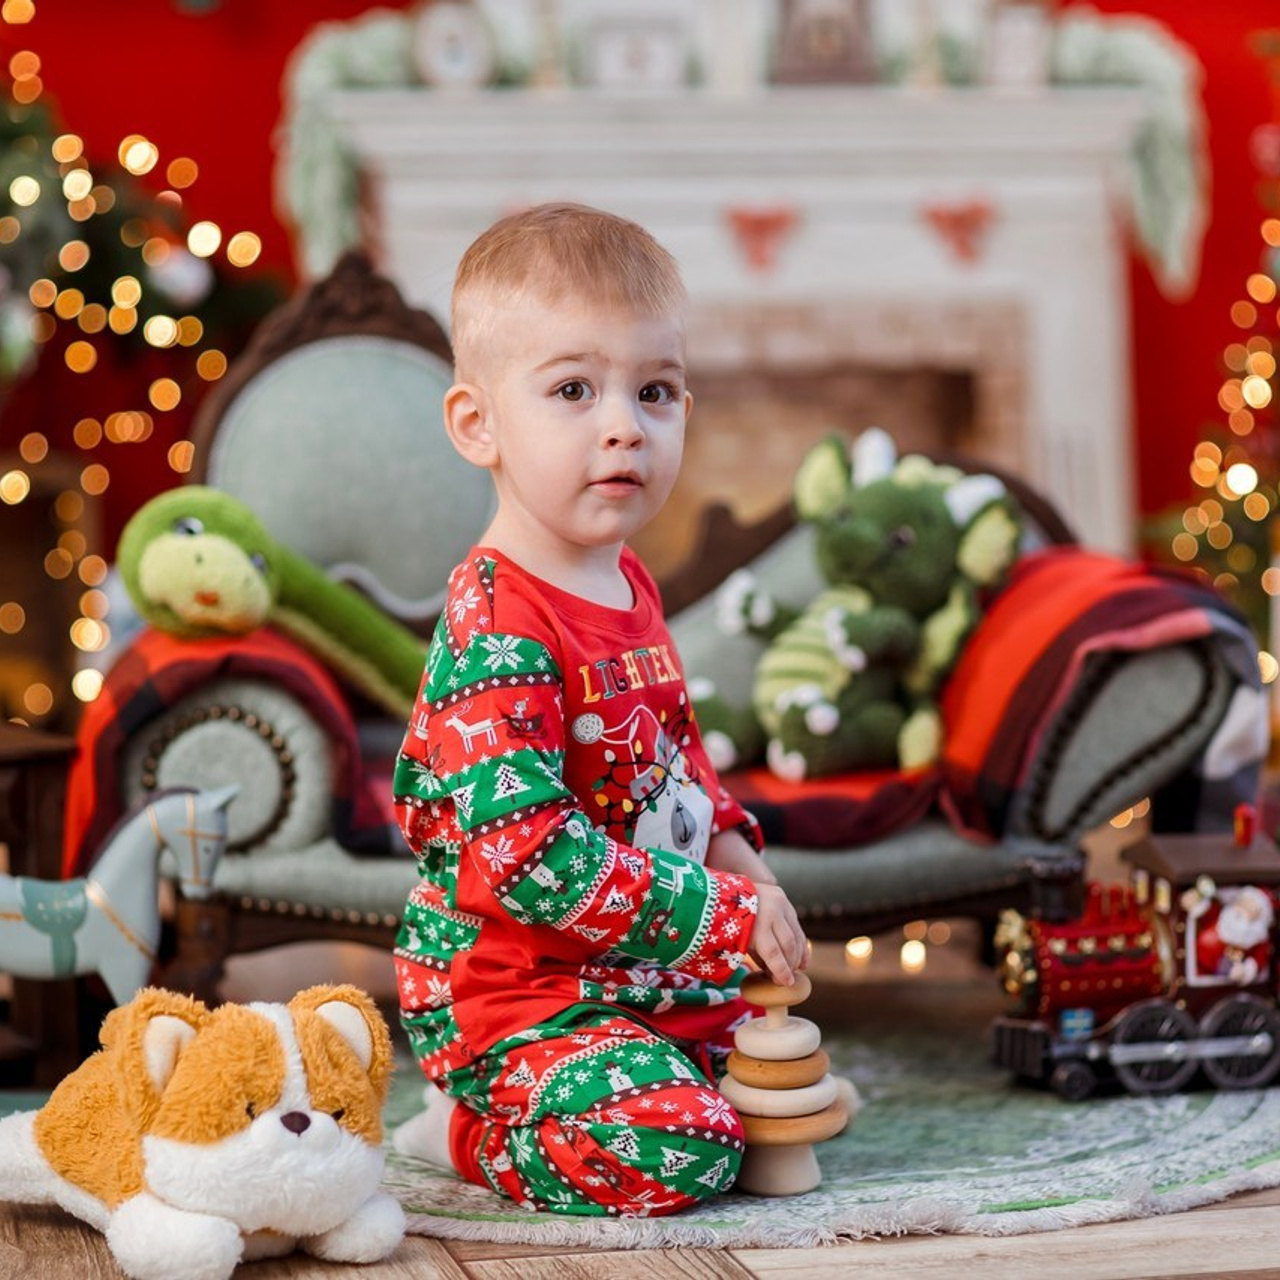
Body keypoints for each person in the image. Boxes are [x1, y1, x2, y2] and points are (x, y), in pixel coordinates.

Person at [390, 202, 808, 1218]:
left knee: (784, 1082)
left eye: (654, 390)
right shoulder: (498, 627)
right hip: (505, 989)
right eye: (573, 388)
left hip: (630, 970)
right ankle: (457, 1125)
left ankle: (652, 1067)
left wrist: (734, 850)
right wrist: (719, 913)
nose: (623, 422)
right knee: (681, 1142)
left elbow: (676, 762)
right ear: (477, 423)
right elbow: (526, 859)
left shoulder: (628, 583)